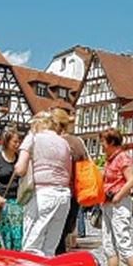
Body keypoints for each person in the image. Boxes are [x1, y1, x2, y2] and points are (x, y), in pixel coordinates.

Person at [15, 112, 72, 256]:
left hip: (42, 194)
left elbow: (20, 169)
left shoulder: (33, 138)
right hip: (63, 195)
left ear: (36, 124)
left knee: (31, 247)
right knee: (49, 248)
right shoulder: (64, 142)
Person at [100, 128, 133, 266]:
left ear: (111, 142)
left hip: (119, 203)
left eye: (103, 142)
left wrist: (118, 196)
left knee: (123, 242)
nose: (101, 145)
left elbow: (131, 180)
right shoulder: (109, 159)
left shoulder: (123, 157)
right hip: (107, 203)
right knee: (108, 244)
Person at [52, 108, 88, 254]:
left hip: (53, 190)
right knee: (64, 231)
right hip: (72, 193)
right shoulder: (77, 142)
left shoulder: (51, 141)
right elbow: (85, 165)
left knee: (51, 234)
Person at [0, 127, 24, 250]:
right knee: (3, 234)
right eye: (15, 142)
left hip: (17, 203)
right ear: (7, 142)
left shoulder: (20, 160)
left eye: (19, 142)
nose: (17, 144)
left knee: (17, 235)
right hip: (1, 203)